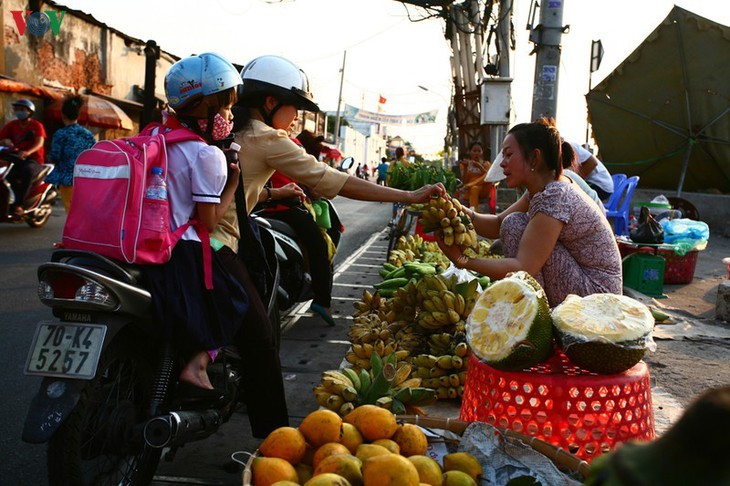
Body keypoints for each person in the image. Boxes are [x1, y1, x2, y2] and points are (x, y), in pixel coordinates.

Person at [211, 54, 445, 436]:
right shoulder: (268, 139)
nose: (296, 117)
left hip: (185, 237)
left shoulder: (222, 130)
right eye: (295, 108)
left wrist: (271, 192)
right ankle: (274, 439)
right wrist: (408, 194)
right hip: (218, 243)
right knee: (261, 342)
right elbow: (334, 181)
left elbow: (231, 186)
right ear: (271, 103)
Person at [144, 53, 248, 395]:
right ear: (205, 106)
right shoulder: (207, 155)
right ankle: (197, 363)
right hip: (179, 251)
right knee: (234, 301)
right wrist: (232, 184)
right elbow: (208, 221)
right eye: (227, 107)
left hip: (138, 242)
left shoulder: (151, 137)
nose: (230, 116)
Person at [436, 118, 622, 307]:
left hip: (599, 297)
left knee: (515, 225)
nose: (503, 164)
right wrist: (454, 208)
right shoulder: (541, 189)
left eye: (508, 155)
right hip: (585, 285)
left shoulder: (555, 195)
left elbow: (523, 267)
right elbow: (498, 224)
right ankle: (535, 311)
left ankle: (538, 315)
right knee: (511, 223)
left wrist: (463, 260)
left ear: (534, 157)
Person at [46, 95, 97, 213]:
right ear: (78, 116)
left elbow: (54, 156)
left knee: (72, 213)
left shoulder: (61, 134)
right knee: (84, 211)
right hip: (86, 178)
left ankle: (76, 232)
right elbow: (94, 154)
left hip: (67, 180)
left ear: (63, 115)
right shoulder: (88, 134)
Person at [0, 98, 47, 215]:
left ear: (29, 112)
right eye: (17, 109)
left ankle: (19, 205)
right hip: (15, 157)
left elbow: (39, 143)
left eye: (22, 110)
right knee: (5, 173)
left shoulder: (36, 125)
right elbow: (1, 137)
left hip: (33, 160)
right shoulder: (12, 125)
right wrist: (5, 141)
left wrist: (28, 152)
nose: (18, 112)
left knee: (28, 171)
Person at [458, 141, 495, 213]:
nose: (476, 153)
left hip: (484, 190)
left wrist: (480, 167)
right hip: (470, 191)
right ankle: (474, 213)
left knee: (488, 175)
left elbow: (489, 178)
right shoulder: (464, 164)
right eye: (474, 151)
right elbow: (464, 181)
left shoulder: (486, 164)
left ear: (482, 152)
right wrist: (465, 168)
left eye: (479, 151)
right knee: (474, 188)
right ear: (470, 152)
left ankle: (469, 185)